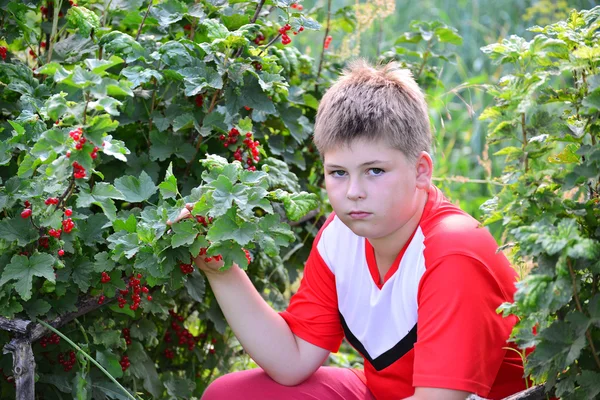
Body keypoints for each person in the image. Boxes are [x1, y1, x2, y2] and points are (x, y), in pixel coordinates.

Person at [171, 59, 527, 400]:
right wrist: (220, 269)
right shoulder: (342, 235)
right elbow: (292, 359)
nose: (353, 191)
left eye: (375, 171)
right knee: (230, 396)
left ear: (421, 171)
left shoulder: (453, 251)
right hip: (387, 393)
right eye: (339, 173)